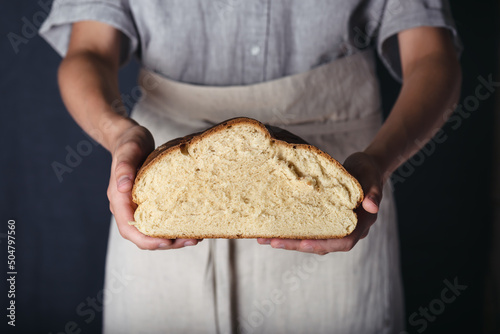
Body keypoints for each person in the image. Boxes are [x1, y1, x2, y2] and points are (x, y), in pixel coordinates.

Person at [39, 1, 461, 333]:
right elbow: (89, 51)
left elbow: (432, 58)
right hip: (169, 170)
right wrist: (119, 136)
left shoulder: (357, 175)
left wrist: (378, 161)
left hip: (336, 173)